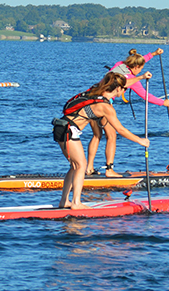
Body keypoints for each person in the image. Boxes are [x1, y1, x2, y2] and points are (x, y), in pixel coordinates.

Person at [52, 72, 149, 209]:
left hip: (61, 127)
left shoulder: (95, 90)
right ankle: (76, 203)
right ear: (117, 89)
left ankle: (64, 201)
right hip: (68, 130)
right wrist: (140, 141)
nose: (124, 91)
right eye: (124, 89)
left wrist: (142, 77)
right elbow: (120, 130)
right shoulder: (106, 107)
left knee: (75, 166)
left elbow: (117, 82)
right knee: (81, 166)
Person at [92, 48, 168, 177]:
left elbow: (138, 60)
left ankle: (89, 168)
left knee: (96, 135)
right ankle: (109, 170)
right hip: (104, 104)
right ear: (136, 67)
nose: (141, 71)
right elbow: (145, 96)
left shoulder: (120, 65)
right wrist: (163, 102)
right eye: (141, 68)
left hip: (91, 99)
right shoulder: (132, 80)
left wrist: (154, 54)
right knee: (112, 136)